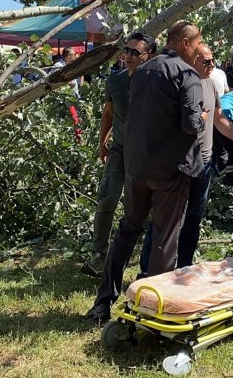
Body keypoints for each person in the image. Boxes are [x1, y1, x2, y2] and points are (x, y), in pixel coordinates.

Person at [86, 21, 208, 323]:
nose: (196, 51)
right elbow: (191, 125)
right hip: (171, 170)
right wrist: (204, 116)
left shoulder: (141, 72)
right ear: (185, 42)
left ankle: (103, 302)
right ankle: (154, 310)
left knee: (128, 230)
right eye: (196, 45)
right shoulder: (186, 74)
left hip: (138, 167)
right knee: (166, 238)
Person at [140, 44, 233, 271]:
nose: (212, 66)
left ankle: (185, 266)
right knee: (166, 219)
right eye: (206, 61)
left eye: (213, 60)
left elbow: (218, 117)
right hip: (181, 164)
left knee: (193, 218)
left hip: (204, 165)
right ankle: (148, 269)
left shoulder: (210, 83)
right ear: (192, 60)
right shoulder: (180, 84)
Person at [81, 32, 156, 278]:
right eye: (126, 51)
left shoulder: (157, 82)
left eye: (135, 52)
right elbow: (108, 114)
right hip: (119, 150)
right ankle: (99, 254)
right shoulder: (115, 81)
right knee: (107, 199)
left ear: (150, 55)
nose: (128, 56)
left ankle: (139, 253)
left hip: (145, 156)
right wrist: (102, 142)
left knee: (138, 206)